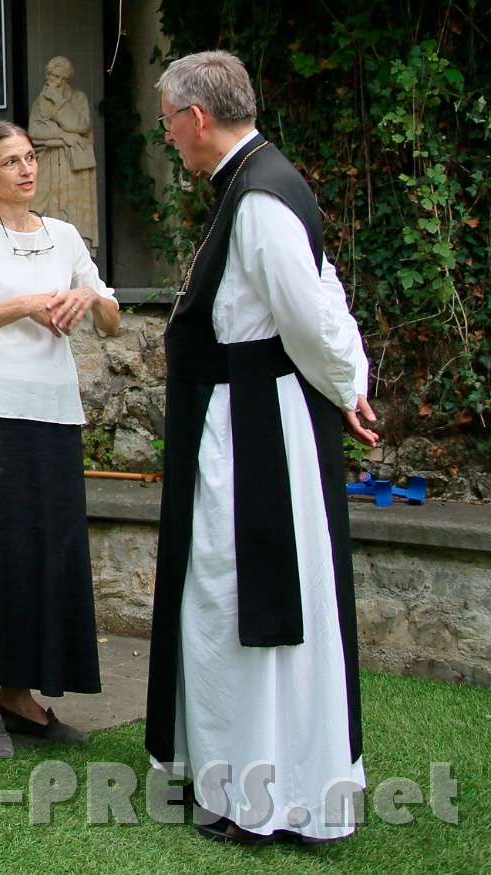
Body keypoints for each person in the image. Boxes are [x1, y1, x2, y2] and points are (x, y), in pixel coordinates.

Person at [145, 50, 376, 845]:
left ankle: (264, 795)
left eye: (170, 121)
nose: (169, 136)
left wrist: (347, 384)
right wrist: (347, 380)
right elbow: (326, 286)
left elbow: (309, 311)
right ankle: (236, 776)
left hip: (255, 437)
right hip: (246, 420)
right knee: (224, 594)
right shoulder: (261, 182)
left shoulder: (261, 197)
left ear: (198, 118)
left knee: (242, 594)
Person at [0, 120, 121, 758]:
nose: (27, 170)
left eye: (30, 158)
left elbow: (113, 321)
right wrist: (25, 304)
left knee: (46, 556)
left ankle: (21, 696)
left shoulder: (64, 236)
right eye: (11, 162)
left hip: (55, 415)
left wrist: (87, 296)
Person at [28, 56, 99, 253]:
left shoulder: (78, 98)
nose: (54, 80)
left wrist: (59, 102)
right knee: (45, 212)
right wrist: (63, 137)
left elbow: (79, 125)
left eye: (59, 77)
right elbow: (34, 132)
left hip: (73, 168)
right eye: (51, 75)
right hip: (48, 164)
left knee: (74, 214)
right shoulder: (39, 102)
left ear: (67, 79)